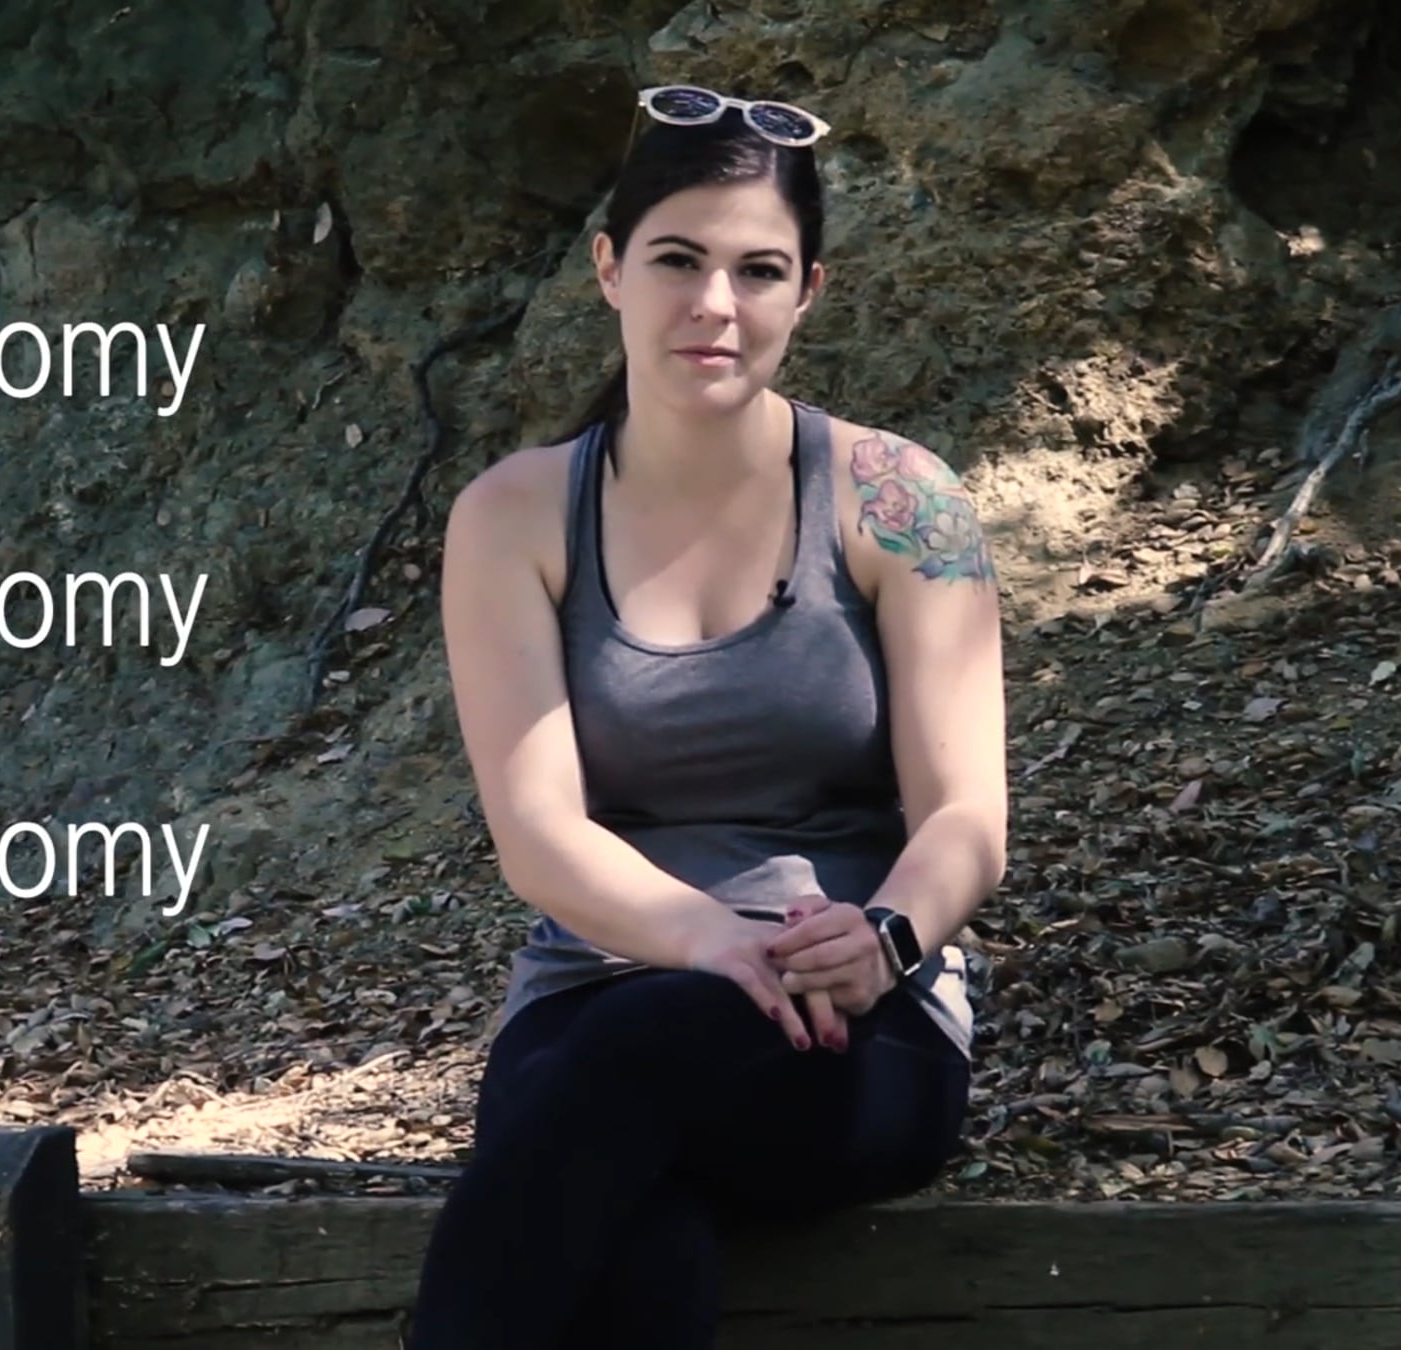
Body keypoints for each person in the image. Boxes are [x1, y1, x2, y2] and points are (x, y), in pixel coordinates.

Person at [404, 85, 1008, 1348]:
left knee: (607, 1100)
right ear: (609, 271)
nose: (715, 304)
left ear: (809, 292)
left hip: (859, 1021)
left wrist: (886, 937)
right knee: (639, 1230)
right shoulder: (513, 516)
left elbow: (966, 818)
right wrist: (707, 939)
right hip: (594, 998)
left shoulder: (899, 498)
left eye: (759, 270)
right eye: (677, 260)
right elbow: (538, 835)